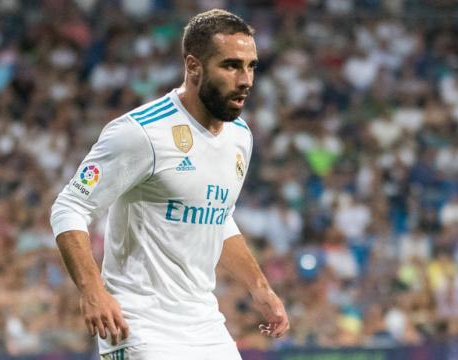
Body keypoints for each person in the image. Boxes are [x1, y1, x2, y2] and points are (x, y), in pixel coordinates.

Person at [49, 9, 289, 360]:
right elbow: (70, 206)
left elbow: (218, 215)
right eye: (231, 65)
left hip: (205, 325)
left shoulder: (240, 137)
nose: (246, 79)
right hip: (139, 326)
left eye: (251, 66)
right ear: (194, 67)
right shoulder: (141, 133)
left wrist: (259, 286)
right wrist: (92, 291)